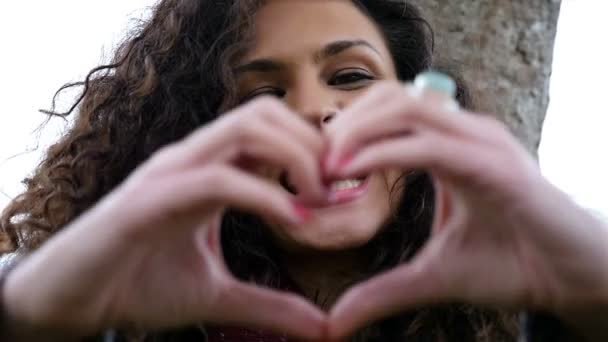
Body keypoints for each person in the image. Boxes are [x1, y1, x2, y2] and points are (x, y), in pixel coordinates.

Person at [1, 0, 607, 341]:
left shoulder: (531, 316)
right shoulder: (124, 320)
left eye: (351, 77)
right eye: (261, 97)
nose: (316, 109)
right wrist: (31, 312)